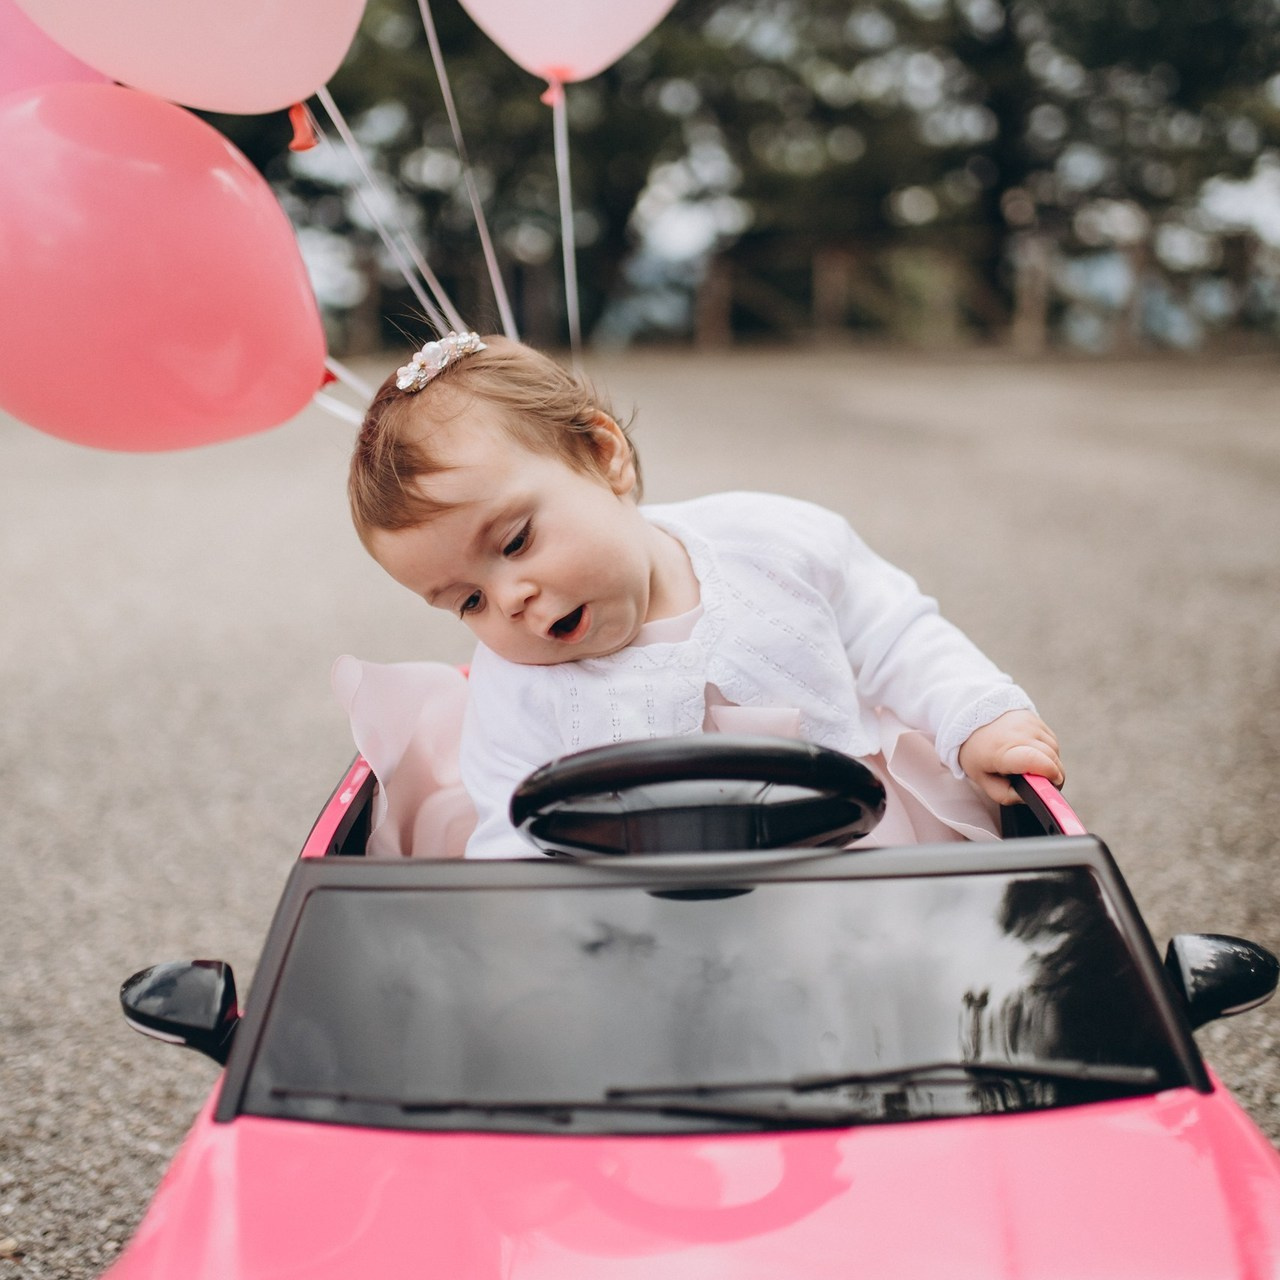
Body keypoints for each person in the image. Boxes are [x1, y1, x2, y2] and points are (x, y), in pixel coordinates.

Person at [349, 331, 1064, 859]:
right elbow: (512, 826)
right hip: (656, 911)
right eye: (466, 602)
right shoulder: (516, 692)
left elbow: (897, 634)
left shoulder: (769, 541)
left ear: (604, 457)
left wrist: (977, 718)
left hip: (860, 857)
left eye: (513, 543)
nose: (508, 600)